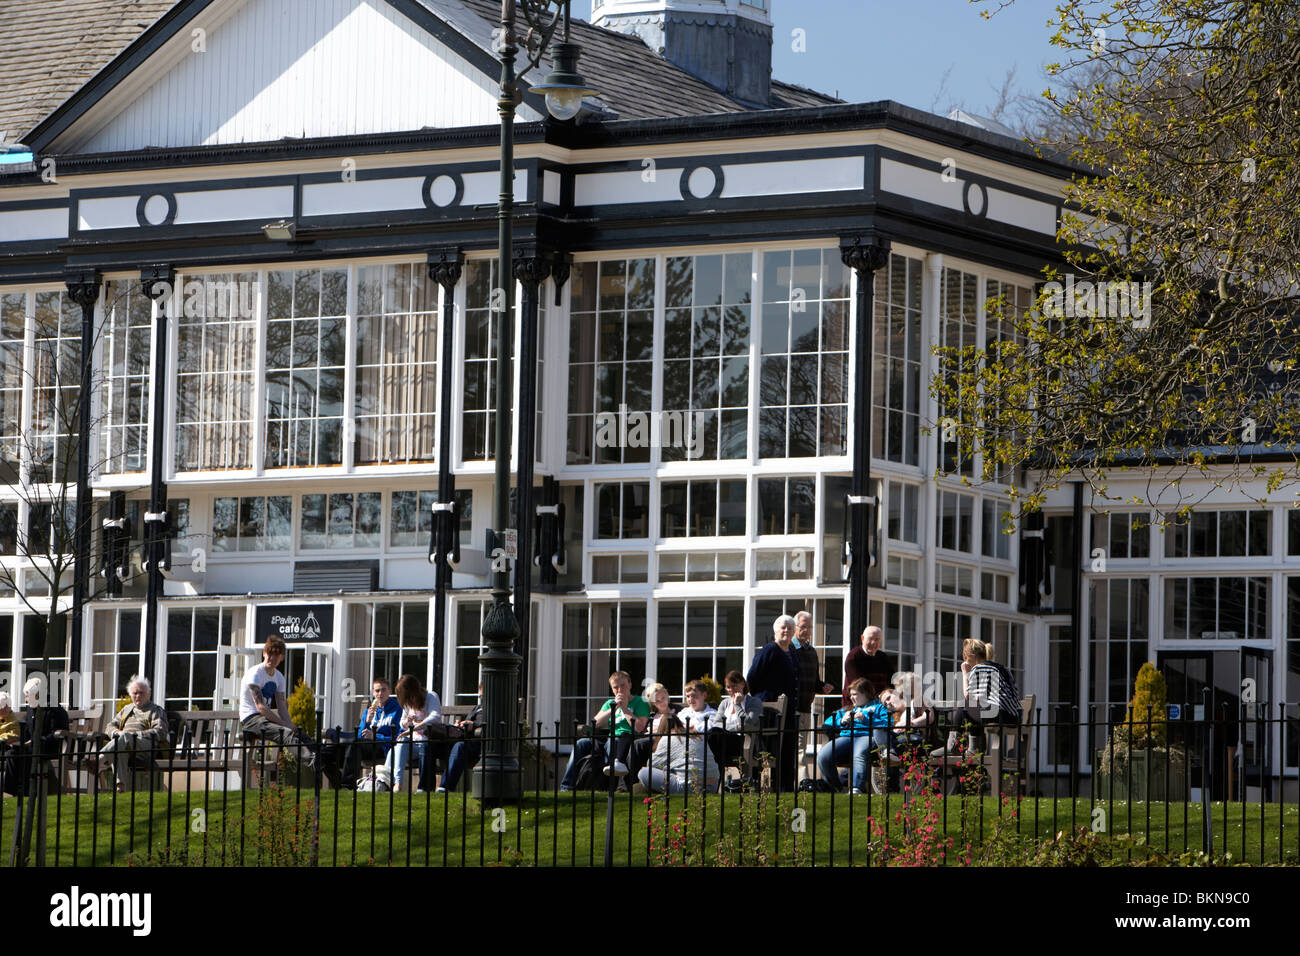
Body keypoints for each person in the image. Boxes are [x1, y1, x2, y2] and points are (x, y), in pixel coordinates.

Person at [559, 671, 650, 791]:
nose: (619, 690)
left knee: (615, 741)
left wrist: (624, 708)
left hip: (626, 741)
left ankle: (609, 784)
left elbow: (639, 727)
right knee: (581, 744)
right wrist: (614, 708)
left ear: (630, 685)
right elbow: (595, 723)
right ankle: (566, 787)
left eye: (622, 685)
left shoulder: (640, 702)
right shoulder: (609, 703)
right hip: (606, 740)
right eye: (615, 687)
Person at [933, 638, 1022, 756]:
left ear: (971, 656)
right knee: (974, 708)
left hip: (999, 714)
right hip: (1013, 716)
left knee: (965, 704)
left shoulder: (979, 668)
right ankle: (973, 748)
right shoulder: (1003, 668)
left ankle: (953, 745)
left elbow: (969, 697)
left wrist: (965, 673)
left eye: (965, 658)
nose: (965, 661)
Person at [239, 637, 318, 768]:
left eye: (277, 655)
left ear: (282, 658)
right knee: (285, 733)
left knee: (300, 734)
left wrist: (291, 725)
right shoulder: (255, 674)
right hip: (251, 719)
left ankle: (329, 766)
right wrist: (284, 724)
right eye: (270, 654)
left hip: (265, 719)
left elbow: (281, 707)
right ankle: (313, 761)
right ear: (264, 653)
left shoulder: (279, 677)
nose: (272, 658)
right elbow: (261, 707)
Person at [746, 614, 801, 792]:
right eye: (783, 627)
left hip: (790, 709)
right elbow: (752, 678)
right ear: (775, 630)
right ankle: (756, 786)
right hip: (769, 710)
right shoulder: (769, 650)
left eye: (790, 628)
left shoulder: (792, 651)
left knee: (787, 750)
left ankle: (785, 788)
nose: (786, 631)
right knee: (767, 750)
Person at [92, 674, 170, 793]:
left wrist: (135, 735)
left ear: (148, 694)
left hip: (146, 748)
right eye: (135, 693)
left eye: (141, 693)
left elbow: (160, 732)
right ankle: (121, 787)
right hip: (125, 746)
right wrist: (117, 732)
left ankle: (100, 760)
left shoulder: (155, 710)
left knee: (123, 738)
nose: (138, 696)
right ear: (131, 695)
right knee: (119, 747)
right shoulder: (126, 710)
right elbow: (109, 726)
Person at [817, 678, 891, 794]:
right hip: (847, 737)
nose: (851, 698)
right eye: (850, 695)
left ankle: (857, 788)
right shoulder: (848, 709)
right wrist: (841, 721)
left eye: (855, 694)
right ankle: (835, 788)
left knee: (859, 752)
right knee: (823, 755)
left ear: (865, 693)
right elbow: (827, 723)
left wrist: (866, 719)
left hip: (867, 736)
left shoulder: (878, 707)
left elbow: (887, 724)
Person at [637, 696, 720, 794]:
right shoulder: (697, 736)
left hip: (689, 787)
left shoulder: (666, 739)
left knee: (644, 773)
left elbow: (653, 765)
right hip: (713, 785)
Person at [793, 610, 834, 767]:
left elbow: (814, 681)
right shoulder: (789, 649)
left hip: (805, 707)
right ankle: (794, 783)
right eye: (803, 626)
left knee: (801, 746)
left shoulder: (812, 652)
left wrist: (823, 686)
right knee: (793, 747)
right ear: (795, 627)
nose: (807, 630)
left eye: (809, 627)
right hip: (790, 706)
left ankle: (800, 783)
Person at [386, 674, 441, 789]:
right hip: (413, 743)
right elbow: (402, 723)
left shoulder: (431, 696)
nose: (409, 701)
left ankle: (422, 788)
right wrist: (407, 722)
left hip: (429, 741)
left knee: (420, 746)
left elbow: (435, 716)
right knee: (396, 748)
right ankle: (395, 783)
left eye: (410, 697)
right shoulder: (407, 704)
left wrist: (416, 727)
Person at [709, 670, 762, 772]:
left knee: (715, 740)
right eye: (728, 687)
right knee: (714, 734)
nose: (731, 690)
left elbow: (747, 723)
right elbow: (716, 723)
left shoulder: (754, 702)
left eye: (734, 686)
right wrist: (736, 727)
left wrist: (737, 705)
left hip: (746, 742)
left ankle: (720, 779)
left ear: (742, 684)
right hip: (726, 741)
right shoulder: (725, 703)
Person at [627, 682, 676, 787]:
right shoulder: (651, 715)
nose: (662, 702)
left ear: (667, 695)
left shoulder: (677, 711)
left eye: (663, 697)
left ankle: (632, 782)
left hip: (668, 741)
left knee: (638, 745)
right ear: (653, 703)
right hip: (649, 740)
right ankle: (631, 783)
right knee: (634, 743)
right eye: (657, 701)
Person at [435, 696, 484, 793]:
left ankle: (446, 787)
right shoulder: (478, 707)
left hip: (482, 744)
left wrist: (474, 725)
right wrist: (459, 725)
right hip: (466, 740)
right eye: (481, 695)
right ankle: (423, 789)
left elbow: (493, 724)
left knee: (459, 746)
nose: (481, 697)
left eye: (482, 694)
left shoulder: (497, 708)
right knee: (429, 746)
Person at [843, 626, 896, 707]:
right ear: (862, 638)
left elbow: (892, 681)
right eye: (870, 639)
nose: (873, 643)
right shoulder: (853, 657)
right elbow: (858, 685)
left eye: (877, 639)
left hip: (881, 704)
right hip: (856, 705)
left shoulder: (883, 658)